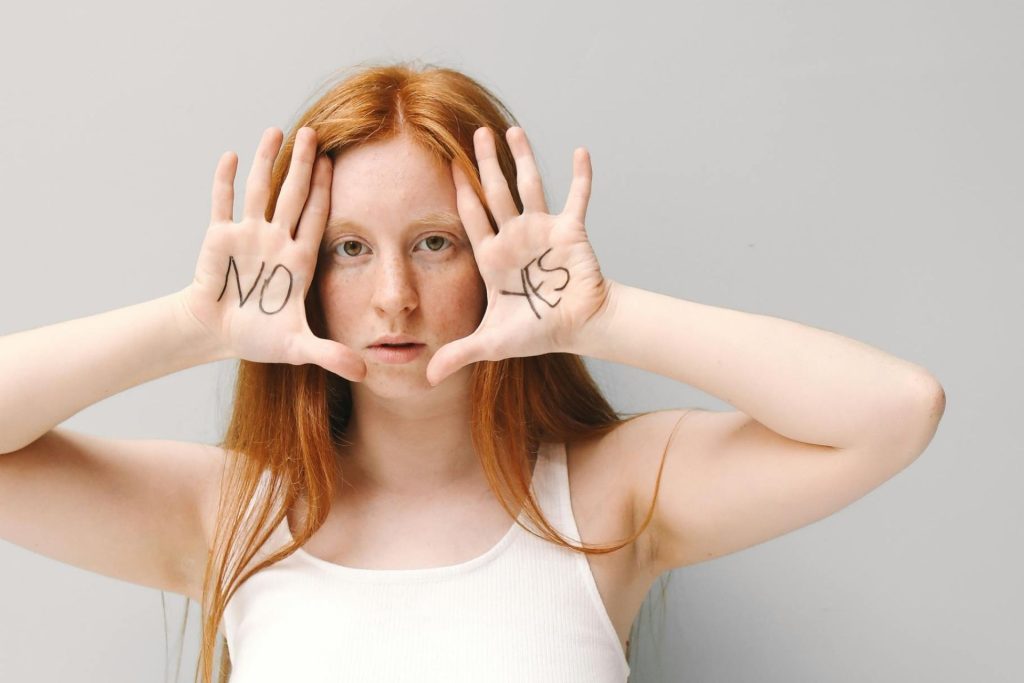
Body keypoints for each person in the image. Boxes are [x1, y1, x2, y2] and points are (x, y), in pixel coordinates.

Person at [0, 61, 945, 683]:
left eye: (435, 242)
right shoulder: (230, 512)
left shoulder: (612, 494)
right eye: (348, 250)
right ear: (300, 267)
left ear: (492, 250)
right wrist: (191, 326)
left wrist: (604, 318)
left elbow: (895, 411)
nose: (394, 298)